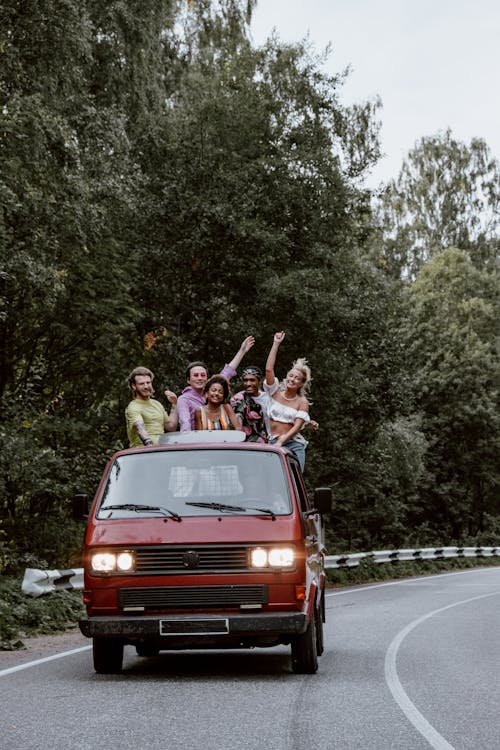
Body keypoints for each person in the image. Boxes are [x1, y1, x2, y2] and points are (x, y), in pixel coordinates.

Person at [177, 335, 255, 431]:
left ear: (207, 378)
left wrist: (242, 351)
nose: (200, 378)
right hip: (197, 439)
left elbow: (227, 372)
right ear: (188, 380)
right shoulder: (184, 399)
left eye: (203, 375)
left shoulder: (213, 391)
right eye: (196, 375)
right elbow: (185, 423)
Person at [231, 365, 319, 444]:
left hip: (268, 440)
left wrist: (305, 424)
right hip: (246, 442)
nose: (248, 384)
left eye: (252, 380)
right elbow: (237, 422)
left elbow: (279, 416)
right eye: (245, 380)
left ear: (259, 381)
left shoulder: (268, 397)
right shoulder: (239, 399)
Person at [264, 331, 312, 471]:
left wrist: (281, 442)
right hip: (273, 440)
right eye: (291, 376)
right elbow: (268, 369)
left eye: (297, 378)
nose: (292, 379)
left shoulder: (302, 402)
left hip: (292, 443)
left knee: (295, 479)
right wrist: (276, 343)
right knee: (273, 477)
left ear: (301, 384)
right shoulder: (275, 392)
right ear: (286, 377)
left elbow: (296, 427)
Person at [125, 367, 178, 447]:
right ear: (134, 386)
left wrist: (174, 405)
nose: (146, 386)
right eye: (142, 384)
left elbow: (171, 427)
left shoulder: (157, 404)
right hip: (142, 452)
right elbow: (140, 428)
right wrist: (149, 445)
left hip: (161, 450)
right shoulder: (133, 407)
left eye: (148, 382)